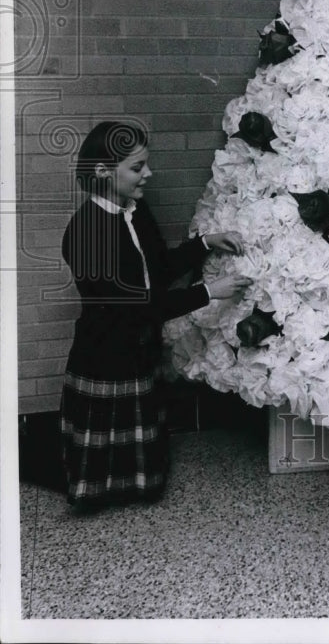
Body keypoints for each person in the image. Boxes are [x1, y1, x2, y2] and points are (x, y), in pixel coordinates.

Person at [60, 120, 251, 512]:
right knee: (107, 447)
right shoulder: (85, 233)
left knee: (136, 450)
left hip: (135, 350)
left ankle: (133, 487)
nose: (148, 174)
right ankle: (99, 492)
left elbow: (158, 269)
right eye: (137, 167)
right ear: (102, 172)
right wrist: (209, 293)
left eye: (146, 164)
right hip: (104, 353)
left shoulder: (135, 210)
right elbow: (135, 307)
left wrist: (204, 244)